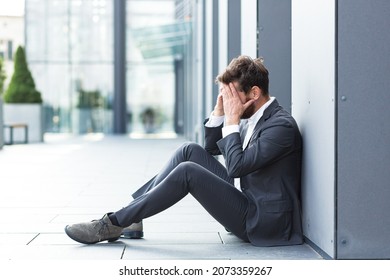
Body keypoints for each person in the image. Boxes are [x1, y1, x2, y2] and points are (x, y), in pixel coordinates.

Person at [65, 55, 303, 247]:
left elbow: (236, 167)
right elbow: (210, 149)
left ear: (254, 93)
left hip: (261, 220)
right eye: (225, 95)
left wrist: (231, 119)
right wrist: (220, 113)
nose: (228, 101)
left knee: (188, 172)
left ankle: (114, 223)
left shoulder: (280, 125)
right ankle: (133, 217)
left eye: (231, 95)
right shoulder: (252, 116)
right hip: (245, 197)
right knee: (189, 150)